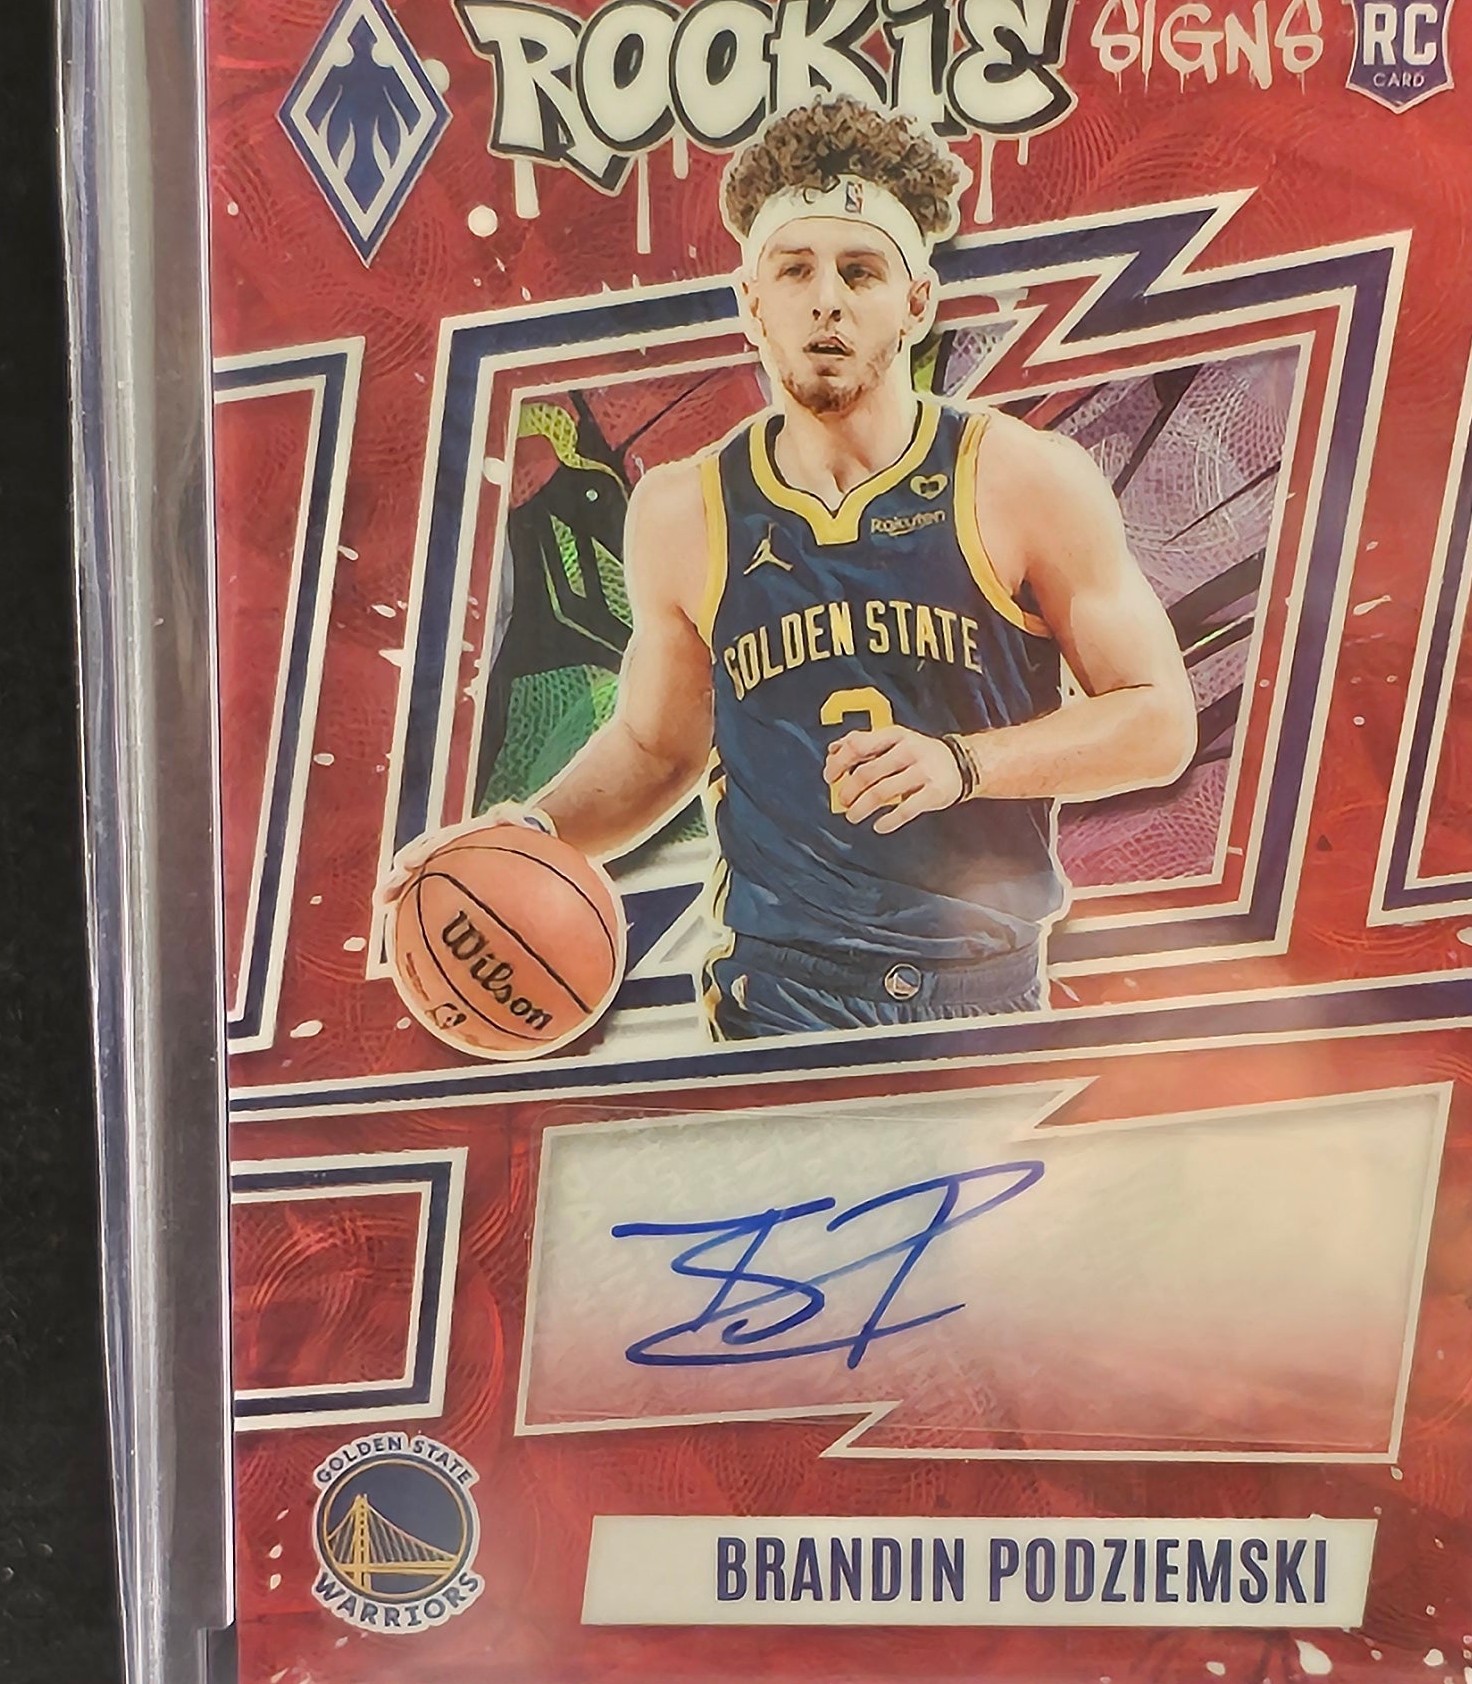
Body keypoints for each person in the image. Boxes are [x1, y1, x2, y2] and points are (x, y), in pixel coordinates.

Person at [411, 98, 1197, 1040]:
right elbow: (659, 750)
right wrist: (524, 833)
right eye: (795, 269)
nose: (827, 298)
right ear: (753, 302)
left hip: (978, 990)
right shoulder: (685, 509)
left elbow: (1158, 720)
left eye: (860, 270)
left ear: (917, 303)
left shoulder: (1021, 479)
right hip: (776, 994)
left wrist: (963, 764)